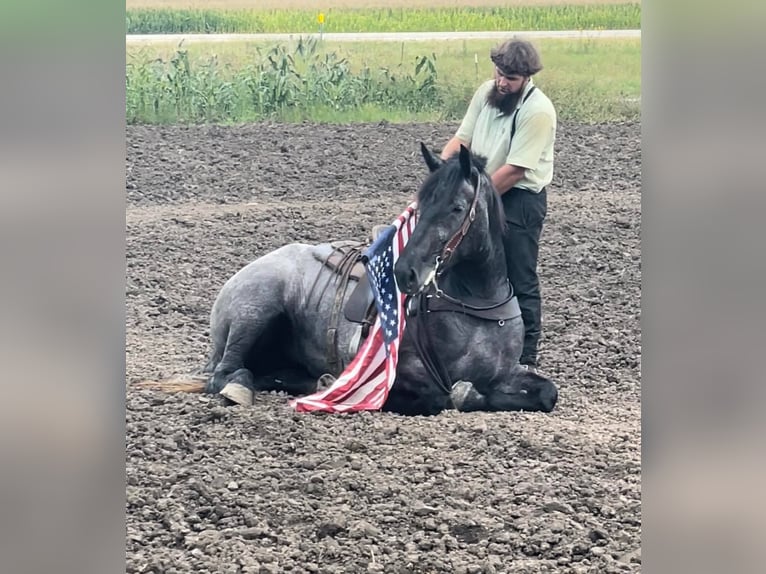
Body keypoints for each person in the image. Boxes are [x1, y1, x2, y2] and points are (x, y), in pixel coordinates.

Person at [440, 38, 557, 371]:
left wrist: (473, 200)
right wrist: (440, 176)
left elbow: (516, 169)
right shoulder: (485, 93)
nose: (503, 82)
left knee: (518, 274)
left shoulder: (538, 112)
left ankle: (525, 357)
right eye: (501, 74)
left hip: (519, 199)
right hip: (479, 190)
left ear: (527, 78)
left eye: (512, 78)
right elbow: (461, 139)